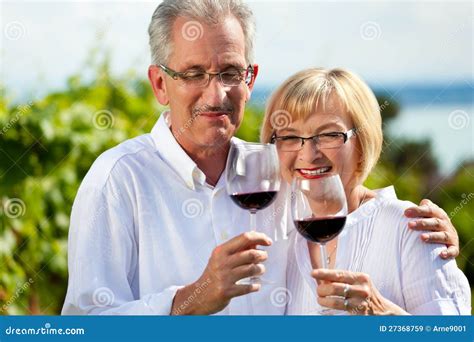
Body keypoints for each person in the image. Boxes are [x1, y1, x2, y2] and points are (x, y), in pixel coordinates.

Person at [62, 0, 460, 315]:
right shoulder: (117, 180)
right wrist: (189, 301)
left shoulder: (272, 173)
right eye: (195, 73)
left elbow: (336, 191)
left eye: (230, 72)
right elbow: (84, 325)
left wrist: (416, 227)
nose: (216, 95)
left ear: (250, 80)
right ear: (160, 84)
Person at [260, 67, 471, 315]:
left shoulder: (412, 229)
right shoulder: (273, 229)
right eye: (289, 136)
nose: (308, 154)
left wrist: (384, 314)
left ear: (362, 141)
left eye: (328, 135)